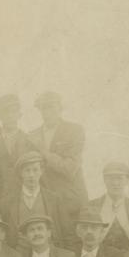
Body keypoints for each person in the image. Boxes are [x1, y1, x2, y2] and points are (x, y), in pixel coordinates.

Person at [27, 91, 87, 222]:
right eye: (43, 108)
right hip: (43, 202)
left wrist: (44, 151)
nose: (47, 112)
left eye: (51, 107)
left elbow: (70, 167)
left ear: (60, 108)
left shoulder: (74, 130)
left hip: (70, 201)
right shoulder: (32, 136)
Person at [0, 151, 69, 249]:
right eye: (27, 170)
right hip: (19, 255)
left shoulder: (54, 199)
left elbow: (68, 233)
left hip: (49, 253)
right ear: (21, 173)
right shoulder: (7, 202)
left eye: (35, 170)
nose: (31, 175)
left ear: (41, 171)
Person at [87, 161, 129, 251]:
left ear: (127, 181)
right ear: (104, 180)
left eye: (120, 178)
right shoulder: (92, 206)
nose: (115, 183)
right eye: (110, 178)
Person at [0, 93, 31, 202]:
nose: (10, 116)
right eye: (6, 112)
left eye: (14, 111)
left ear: (19, 114)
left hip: (24, 198)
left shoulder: (29, 141)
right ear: (0, 116)